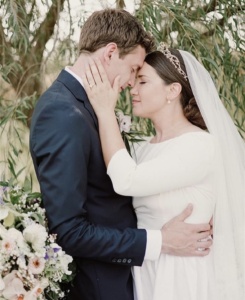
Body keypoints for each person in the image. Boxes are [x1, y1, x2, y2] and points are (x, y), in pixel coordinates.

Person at [29, 9, 213, 300]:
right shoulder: (62, 113)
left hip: (141, 279)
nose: (131, 83)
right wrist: (159, 241)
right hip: (100, 286)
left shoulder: (87, 106)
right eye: (133, 69)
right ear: (111, 52)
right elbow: (69, 231)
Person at [82, 44, 245, 299]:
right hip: (148, 272)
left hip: (184, 277)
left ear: (173, 90)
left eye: (143, 82)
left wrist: (104, 111)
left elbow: (126, 180)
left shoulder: (200, 146)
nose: (132, 90)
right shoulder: (141, 148)